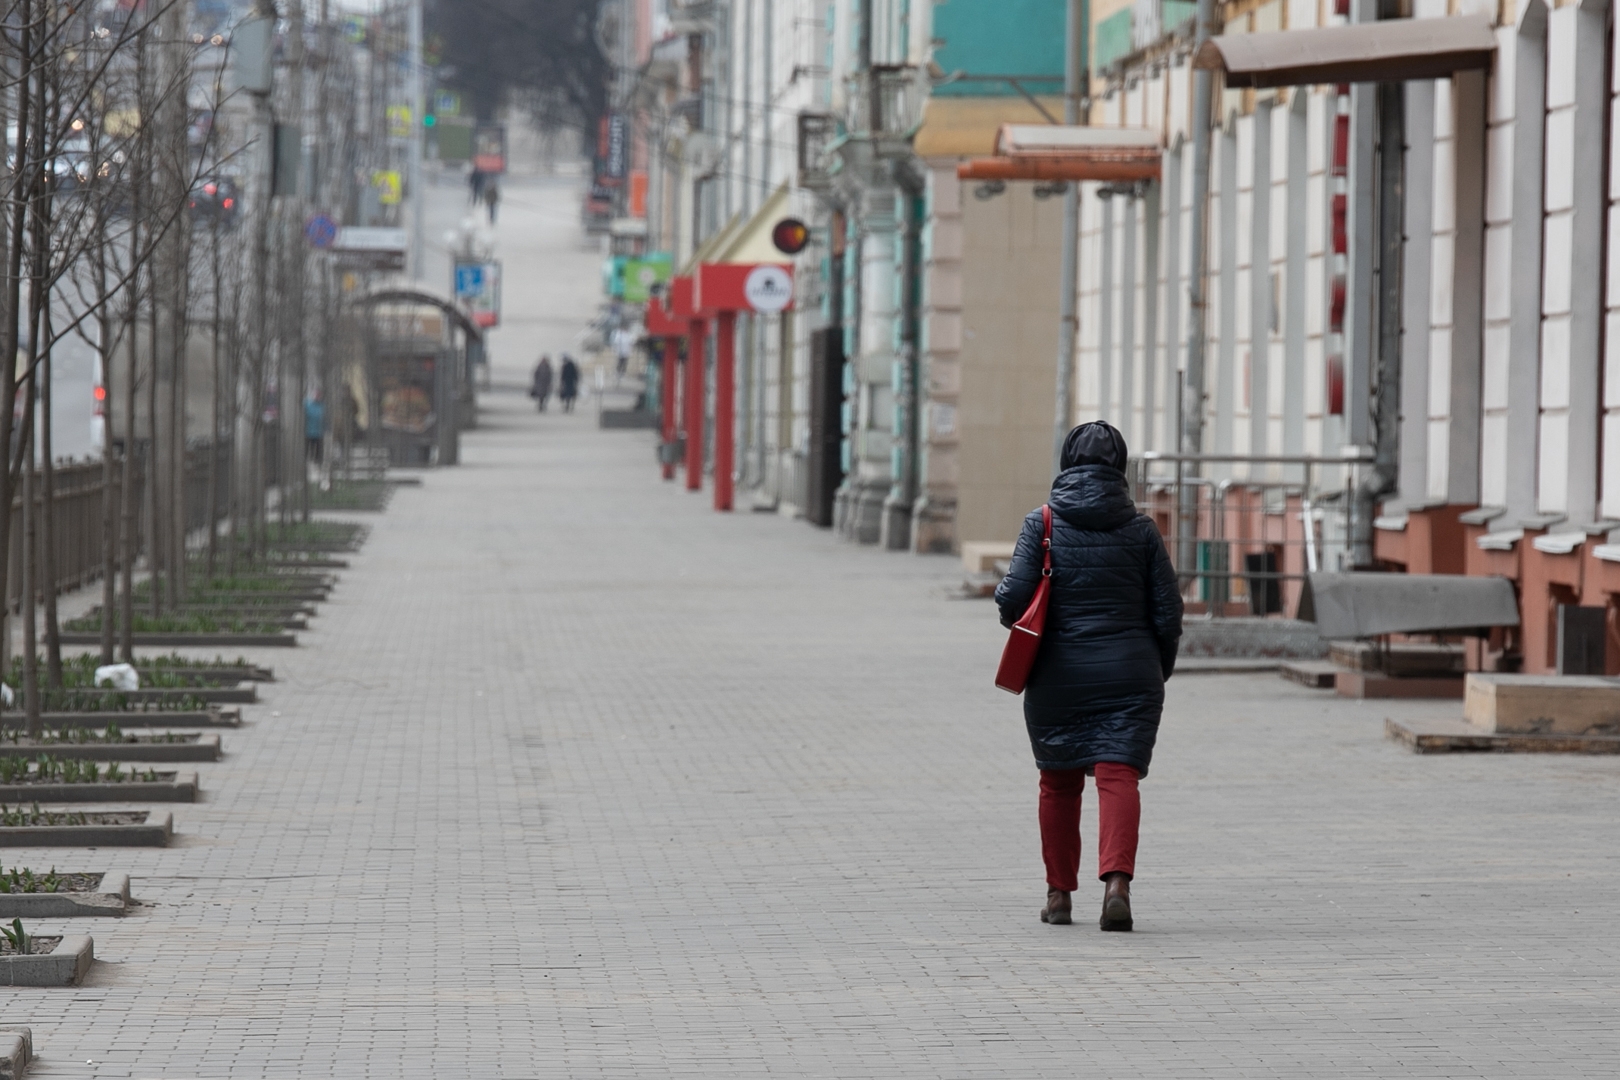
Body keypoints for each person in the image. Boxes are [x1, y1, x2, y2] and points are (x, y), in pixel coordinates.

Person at [994, 421, 1182, 933]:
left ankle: (1058, 896)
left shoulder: (1044, 523)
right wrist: (1156, 671)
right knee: (1117, 775)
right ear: (1119, 468)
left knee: (1057, 782)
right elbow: (1169, 613)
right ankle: (1117, 886)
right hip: (1131, 673)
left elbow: (1012, 601)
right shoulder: (1142, 530)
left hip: (1058, 675)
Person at [304, 393, 325, 464]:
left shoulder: (322, 406)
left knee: (317, 448)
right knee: (310, 446)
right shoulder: (308, 404)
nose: (317, 397)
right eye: (315, 394)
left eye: (318, 395)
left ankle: (316, 461)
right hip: (309, 430)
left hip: (318, 431)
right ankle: (309, 460)